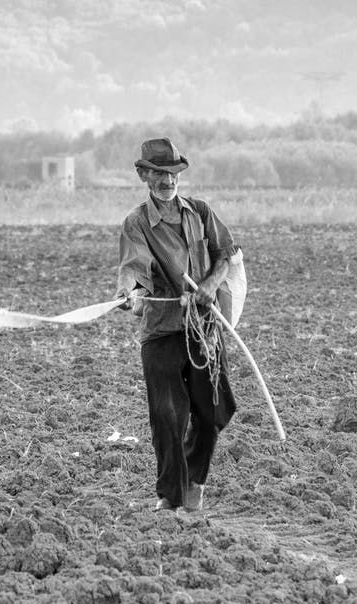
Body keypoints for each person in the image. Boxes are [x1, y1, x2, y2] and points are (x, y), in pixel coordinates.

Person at [115, 137, 240, 512]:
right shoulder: (137, 223)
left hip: (203, 328)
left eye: (172, 173)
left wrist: (208, 287)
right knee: (168, 417)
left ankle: (193, 480)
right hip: (163, 331)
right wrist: (131, 294)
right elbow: (134, 268)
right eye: (158, 173)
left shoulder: (200, 212)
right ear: (143, 175)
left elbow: (224, 257)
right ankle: (172, 495)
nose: (168, 181)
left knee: (216, 410)